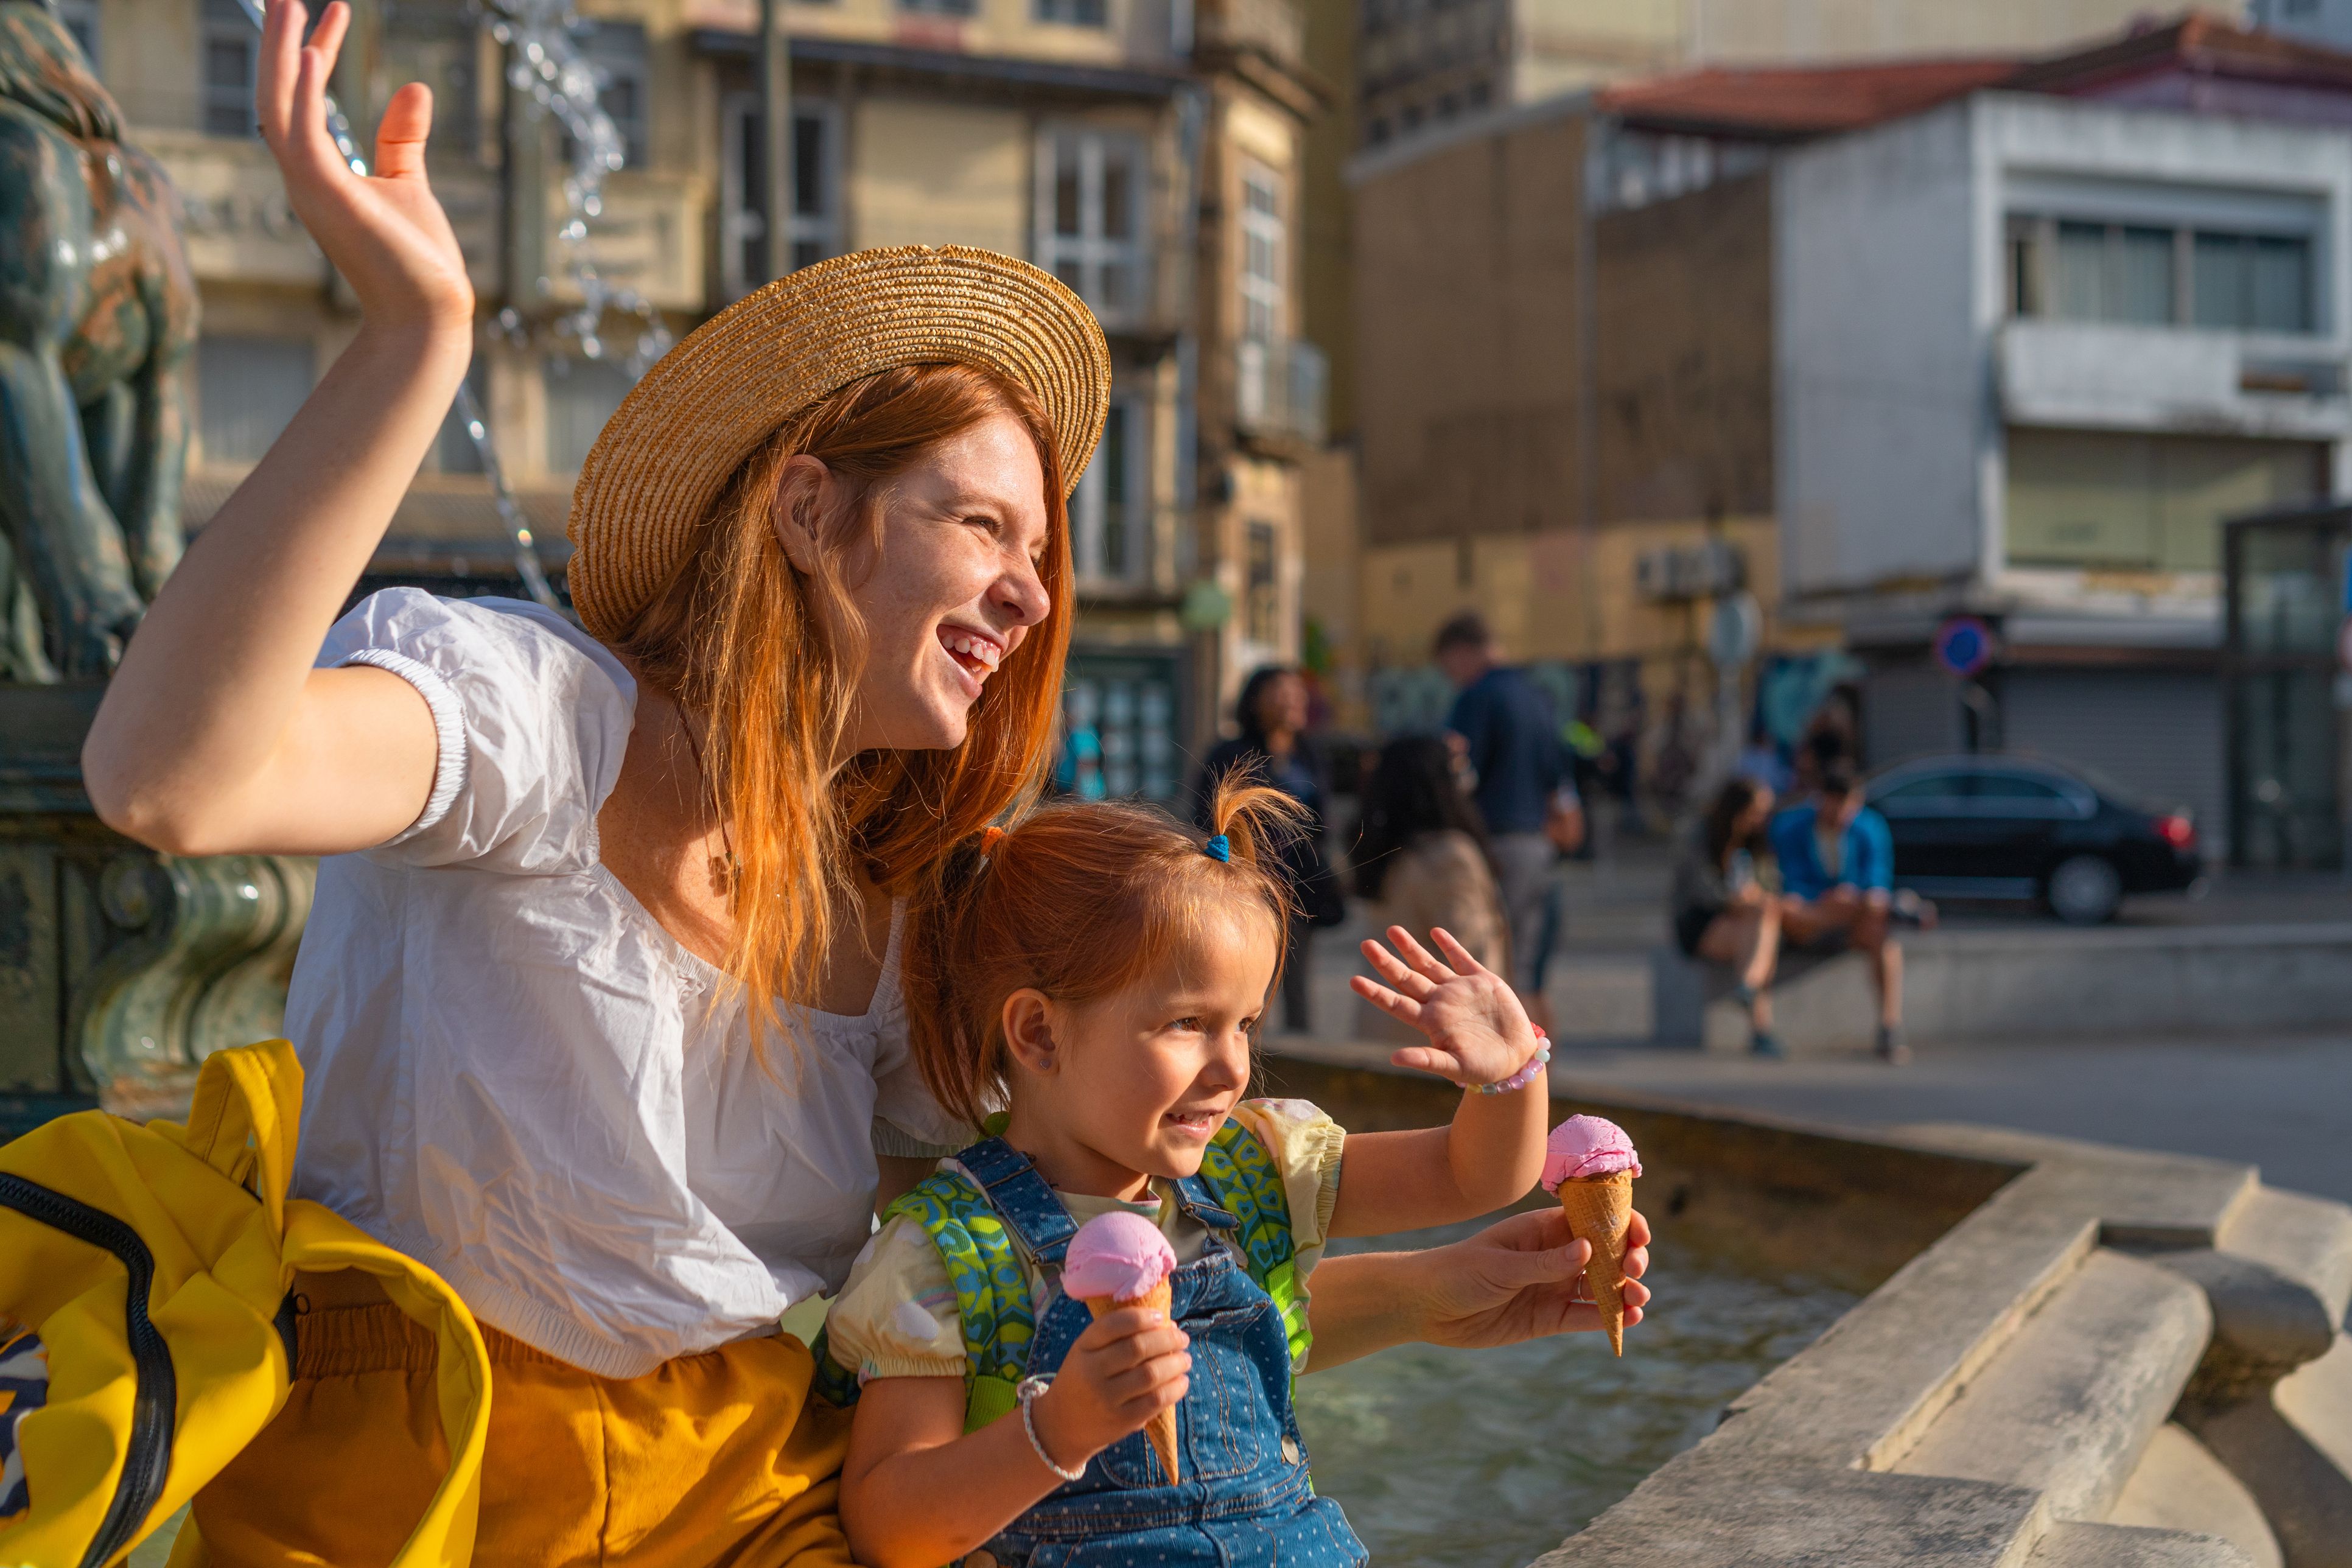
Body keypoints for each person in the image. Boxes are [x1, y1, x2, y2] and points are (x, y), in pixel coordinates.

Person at [71, 7, 1649, 1559]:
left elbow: (1043, 1285)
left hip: (768, 1507)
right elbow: (169, 784)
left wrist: (1443, 1291)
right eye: (983, 530)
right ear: (811, 511)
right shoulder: (531, 713)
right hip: (434, 1499)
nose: (1031, 598)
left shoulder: (903, 920)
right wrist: (411, 348)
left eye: (1043, 558)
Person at [827, 782, 1573, 1568]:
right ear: (1038, 1034)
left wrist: (1510, 1077)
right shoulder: (945, 1255)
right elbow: (886, 1527)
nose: (1232, 1069)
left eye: (1245, 1024)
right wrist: (1056, 1430)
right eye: (1188, 1023)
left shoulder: (1254, 1174)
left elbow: (1474, 1179)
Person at [1188, 666, 1342, 1033]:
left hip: (1300, 888)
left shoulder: (1309, 753)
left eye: (1297, 692)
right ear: (1255, 701)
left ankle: (1303, 1066)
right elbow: (1206, 818)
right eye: (1281, 692)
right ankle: (1248, 1059)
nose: (1293, 700)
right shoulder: (1231, 753)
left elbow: (1322, 819)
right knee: (1248, 984)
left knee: (1299, 986)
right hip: (1246, 888)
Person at [1433, 612, 1569, 1012]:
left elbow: (1459, 773)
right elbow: (1557, 774)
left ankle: (1506, 1068)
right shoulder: (1538, 695)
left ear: (1461, 652)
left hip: (1494, 843)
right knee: (1530, 971)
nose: (1451, 676)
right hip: (1538, 844)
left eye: (1448, 666)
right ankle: (1538, 1072)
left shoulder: (1476, 697)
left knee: (1493, 968)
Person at [1351, 733, 1510, 1045]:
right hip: (1440, 1029)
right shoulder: (1449, 857)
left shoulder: (1384, 849)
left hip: (1381, 1021)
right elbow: (1473, 952)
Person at [1768, 763, 1930, 1063]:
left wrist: (1853, 895)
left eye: (1852, 805)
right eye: (1838, 805)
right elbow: (1788, 882)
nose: (1845, 813)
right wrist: (1822, 900)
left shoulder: (1870, 827)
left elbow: (1877, 879)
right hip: (1808, 919)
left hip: (1852, 919)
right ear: (1822, 799)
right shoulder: (1789, 827)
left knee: (1883, 936)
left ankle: (1889, 1027)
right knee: (1790, 909)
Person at [1671, 778, 1785, 1058]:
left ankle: (1749, 990)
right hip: (1701, 921)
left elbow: (1771, 884)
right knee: (1763, 932)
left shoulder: (1757, 841)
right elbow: (1701, 890)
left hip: (1746, 921)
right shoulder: (1701, 834)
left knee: (1762, 929)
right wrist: (1738, 900)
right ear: (1738, 808)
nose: (1761, 819)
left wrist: (1754, 897)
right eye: (1756, 811)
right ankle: (1760, 1027)